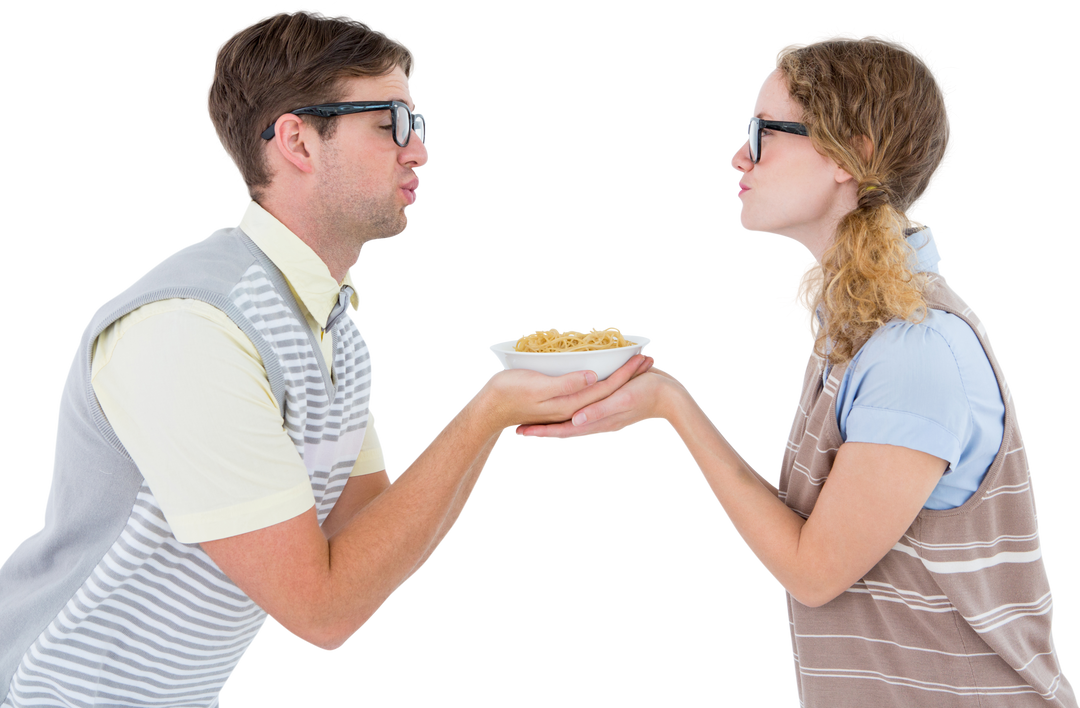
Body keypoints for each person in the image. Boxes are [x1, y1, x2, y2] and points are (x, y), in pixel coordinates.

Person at [0, 6, 653, 706]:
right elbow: (322, 612)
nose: (420, 151)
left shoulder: (332, 326)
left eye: (419, 123)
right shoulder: (189, 330)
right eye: (390, 124)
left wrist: (498, 419)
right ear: (298, 142)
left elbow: (365, 542)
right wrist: (485, 412)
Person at [516, 28, 1079, 707]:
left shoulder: (915, 347)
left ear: (852, 154)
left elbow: (815, 573)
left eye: (763, 133)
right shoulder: (862, 321)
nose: (735, 157)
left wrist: (674, 408)